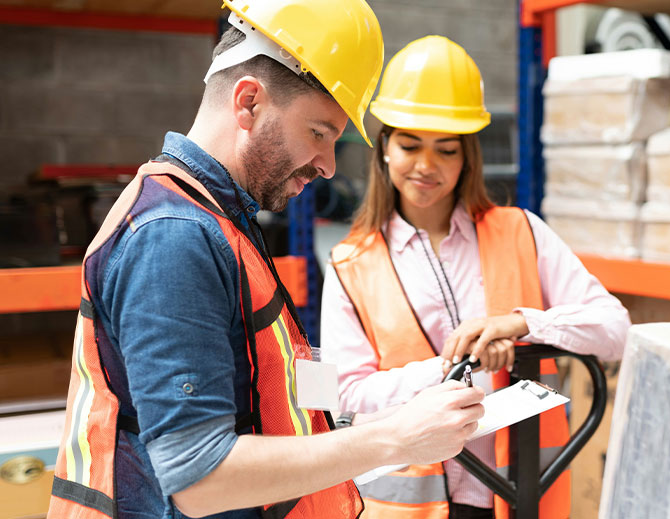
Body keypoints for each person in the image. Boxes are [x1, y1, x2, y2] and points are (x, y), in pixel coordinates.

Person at [46, 4, 487, 519]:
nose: (327, 165)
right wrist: (396, 438)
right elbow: (200, 477)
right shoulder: (175, 235)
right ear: (249, 101)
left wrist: (376, 423)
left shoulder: (220, 219)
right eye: (320, 132)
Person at [321, 35, 631, 519]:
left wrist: (524, 326)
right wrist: (457, 367)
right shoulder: (349, 262)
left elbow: (615, 331)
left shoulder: (522, 230)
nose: (426, 166)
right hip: (415, 505)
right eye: (409, 145)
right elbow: (343, 394)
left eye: (446, 150)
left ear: (468, 157)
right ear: (383, 148)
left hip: (523, 490)